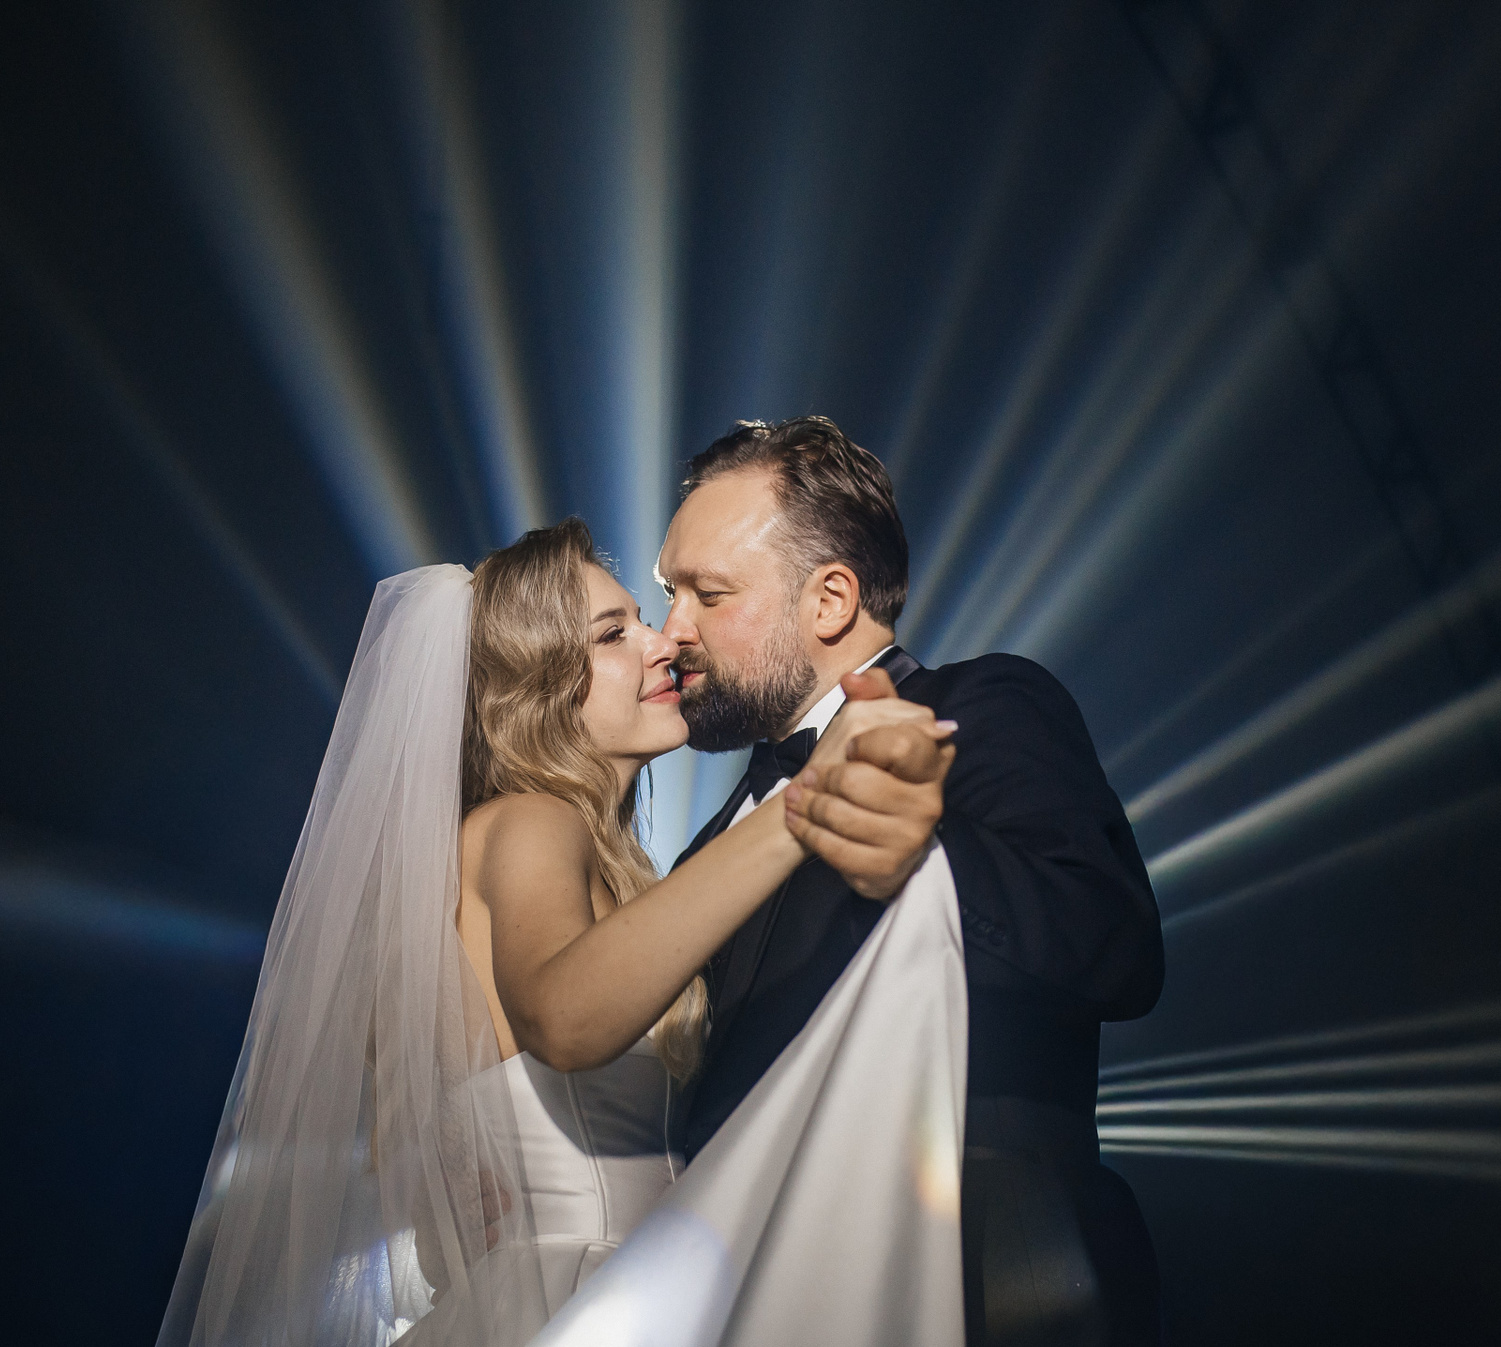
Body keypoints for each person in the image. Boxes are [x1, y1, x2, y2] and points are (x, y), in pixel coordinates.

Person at [156, 520, 955, 1347]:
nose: (663, 644)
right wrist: (811, 803)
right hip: (581, 1303)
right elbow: (566, 1017)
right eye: (613, 635)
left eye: (638, 618)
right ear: (535, 690)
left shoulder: (574, 858)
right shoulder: (530, 820)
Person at [658, 416, 1166, 1346]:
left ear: (831, 599)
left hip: (981, 1275)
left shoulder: (982, 705)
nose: (671, 631)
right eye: (668, 593)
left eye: (708, 593)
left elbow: (1116, 947)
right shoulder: (705, 851)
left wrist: (926, 855)